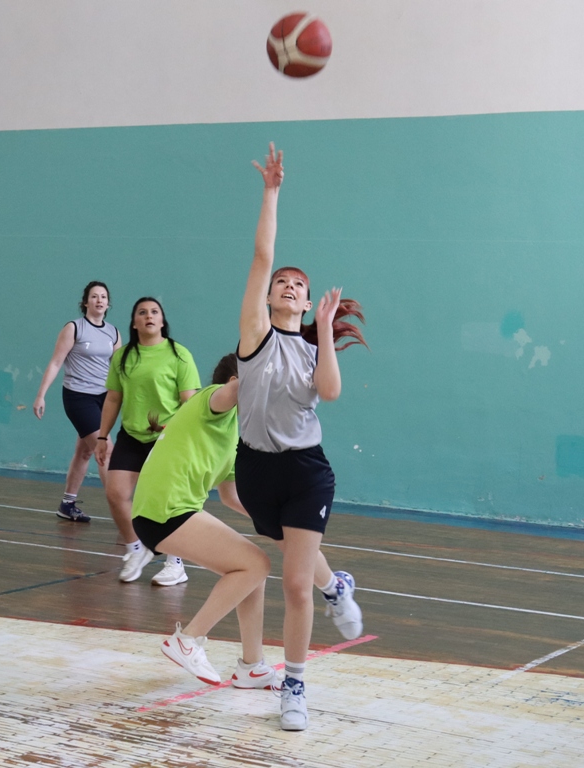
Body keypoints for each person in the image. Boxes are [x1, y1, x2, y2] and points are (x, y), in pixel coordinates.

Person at [235, 143, 366, 731]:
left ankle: (293, 685)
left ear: (308, 302)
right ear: (268, 296)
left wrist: (325, 331)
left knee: (293, 582)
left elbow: (330, 393)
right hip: (255, 469)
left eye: (298, 285)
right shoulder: (255, 335)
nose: (288, 286)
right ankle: (336, 586)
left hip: (306, 469)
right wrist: (271, 191)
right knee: (294, 553)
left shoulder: (315, 348)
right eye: (281, 282)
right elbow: (262, 254)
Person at [131, 354, 274, 687]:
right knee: (255, 564)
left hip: (173, 510)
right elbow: (235, 389)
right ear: (235, 381)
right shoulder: (210, 400)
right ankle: (188, 640)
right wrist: (266, 356)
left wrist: (275, 523)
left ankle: (251, 666)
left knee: (254, 569)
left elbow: (231, 496)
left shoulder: (233, 431)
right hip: (164, 508)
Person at [95, 297, 201, 586]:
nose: (149, 316)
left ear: (162, 321)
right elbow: (113, 398)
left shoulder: (179, 355)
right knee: (116, 493)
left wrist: (181, 434)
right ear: (134, 323)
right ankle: (136, 549)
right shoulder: (123, 357)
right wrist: (102, 436)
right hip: (131, 435)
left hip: (167, 438)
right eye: (142, 313)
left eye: (155, 312)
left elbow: (190, 402)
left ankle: (175, 562)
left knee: (167, 502)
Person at [33, 281, 120, 522]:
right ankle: (122, 510)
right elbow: (55, 362)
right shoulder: (74, 328)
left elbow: (119, 370)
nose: (99, 300)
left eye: (103, 297)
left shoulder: (113, 333)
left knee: (85, 452)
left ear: (108, 304)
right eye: (94, 296)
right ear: (85, 302)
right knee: (105, 450)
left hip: (104, 399)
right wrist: (41, 395)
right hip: (78, 397)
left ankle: (67, 504)